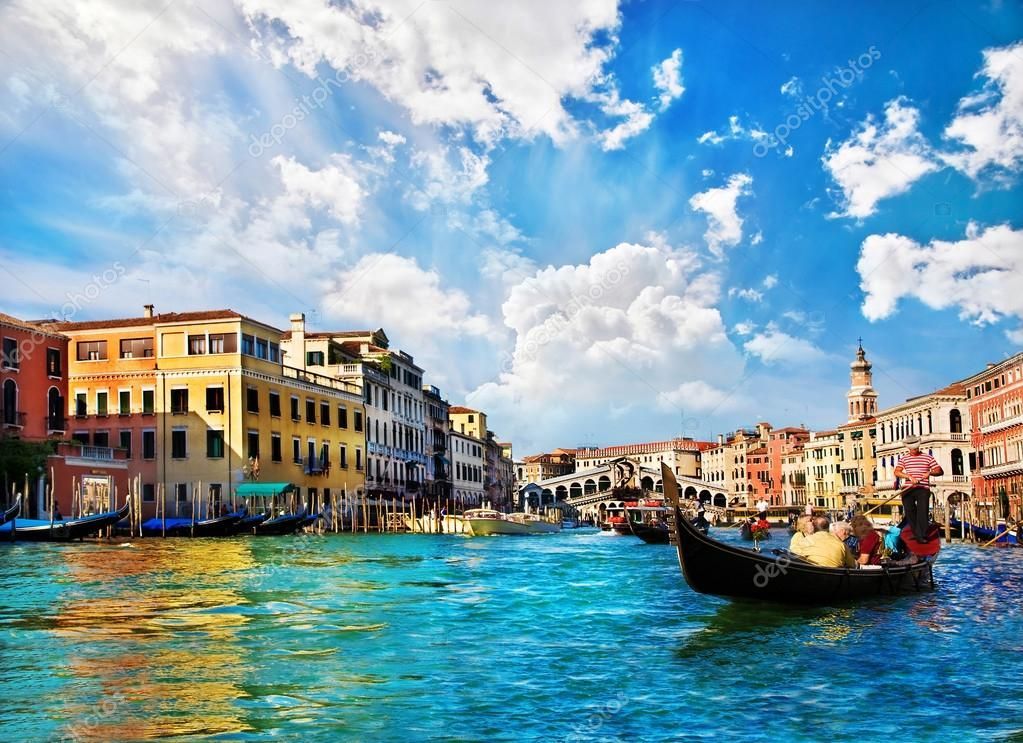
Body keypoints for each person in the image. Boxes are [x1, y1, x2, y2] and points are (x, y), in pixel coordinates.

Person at [893, 436, 943, 543]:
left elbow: (939, 470)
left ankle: (922, 535)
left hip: (923, 488)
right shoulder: (904, 459)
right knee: (909, 510)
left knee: (922, 510)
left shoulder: (928, 458)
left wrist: (930, 472)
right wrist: (909, 477)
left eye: (916, 448)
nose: (914, 449)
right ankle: (917, 534)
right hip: (908, 488)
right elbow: (897, 472)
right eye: (912, 448)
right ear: (909, 448)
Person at [790, 516, 857, 568]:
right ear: (828, 527)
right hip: (834, 576)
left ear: (814, 527)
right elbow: (853, 564)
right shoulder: (841, 543)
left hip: (814, 574)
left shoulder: (806, 541)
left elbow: (794, 555)